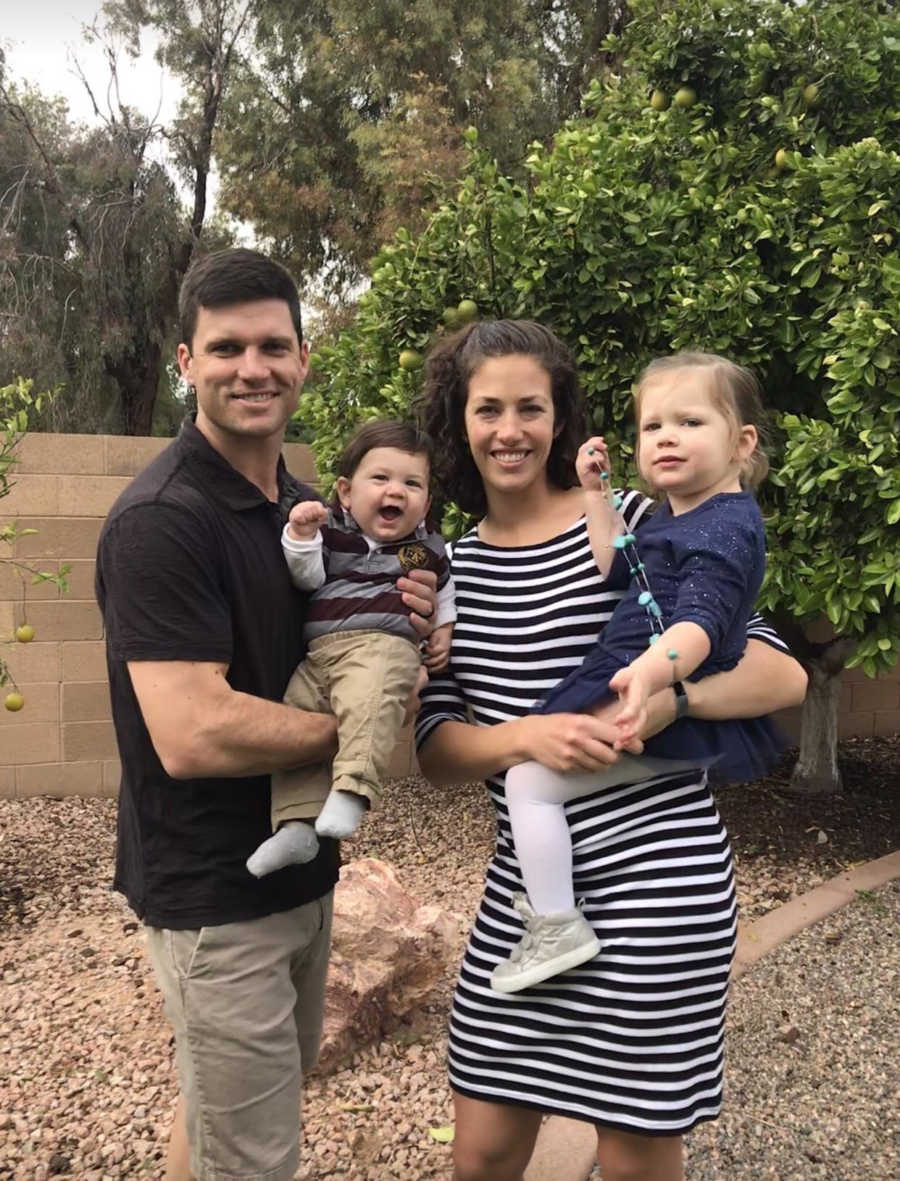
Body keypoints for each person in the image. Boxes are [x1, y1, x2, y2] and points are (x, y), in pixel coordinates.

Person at [414, 319, 807, 1181]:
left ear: (560, 419)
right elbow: (437, 748)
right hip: (529, 897)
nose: (509, 429)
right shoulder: (445, 573)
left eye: (531, 407)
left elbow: (781, 677)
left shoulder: (633, 520)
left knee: (633, 1156)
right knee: (479, 1153)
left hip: (659, 882)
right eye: (488, 408)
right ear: (460, 419)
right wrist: (527, 736)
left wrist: (670, 700)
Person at [95, 248, 437, 1181]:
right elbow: (194, 731)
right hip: (214, 891)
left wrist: (409, 636)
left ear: (303, 358)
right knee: (254, 1157)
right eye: (227, 347)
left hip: (302, 873)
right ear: (185, 361)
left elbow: (356, 630)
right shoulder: (163, 519)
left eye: (273, 345)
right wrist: (364, 730)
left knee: (228, 1117)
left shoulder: (304, 511)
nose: (253, 367)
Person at [495, 352, 784, 993]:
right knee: (533, 780)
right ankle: (555, 912)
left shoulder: (727, 527)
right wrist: (598, 496)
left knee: (530, 783)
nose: (666, 437)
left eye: (689, 421)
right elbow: (617, 569)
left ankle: (557, 922)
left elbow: (700, 625)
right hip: (644, 678)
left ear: (742, 443)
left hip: (648, 681)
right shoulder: (673, 515)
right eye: (652, 427)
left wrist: (653, 674)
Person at [246, 419, 455, 878]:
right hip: (321, 654)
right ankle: (297, 823)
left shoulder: (419, 549)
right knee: (295, 715)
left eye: (412, 483)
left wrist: (443, 629)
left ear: (426, 503)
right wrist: (299, 536)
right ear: (345, 491)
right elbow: (307, 577)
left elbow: (444, 585)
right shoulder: (332, 536)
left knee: (372, 698)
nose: (395, 491)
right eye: (380, 478)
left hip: (384, 644)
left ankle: (353, 790)